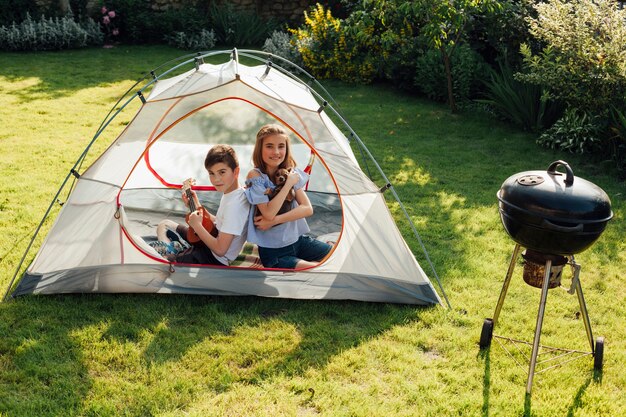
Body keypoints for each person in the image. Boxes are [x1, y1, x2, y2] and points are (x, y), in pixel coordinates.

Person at [245, 124, 331, 269]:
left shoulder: (289, 172)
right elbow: (268, 212)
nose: (276, 152)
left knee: (337, 256)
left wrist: (274, 221)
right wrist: (287, 185)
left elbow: (307, 208)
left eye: (281, 146)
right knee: (317, 269)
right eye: (269, 146)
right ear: (260, 149)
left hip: (298, 241)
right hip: (274, 252)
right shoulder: (256, 176)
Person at [153, 144, 250, 266]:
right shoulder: (234, 193)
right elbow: (221, 221)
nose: (216, 179)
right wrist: (196, 204)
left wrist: (197, 226)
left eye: (222, 172)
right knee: (165, 225)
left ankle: (173, 253)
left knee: (161, 263)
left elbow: (220, 250)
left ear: (236, 172)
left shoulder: (235, 206)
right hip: (210, 239)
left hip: (213, 258)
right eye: (211, 173)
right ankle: (178, 250)